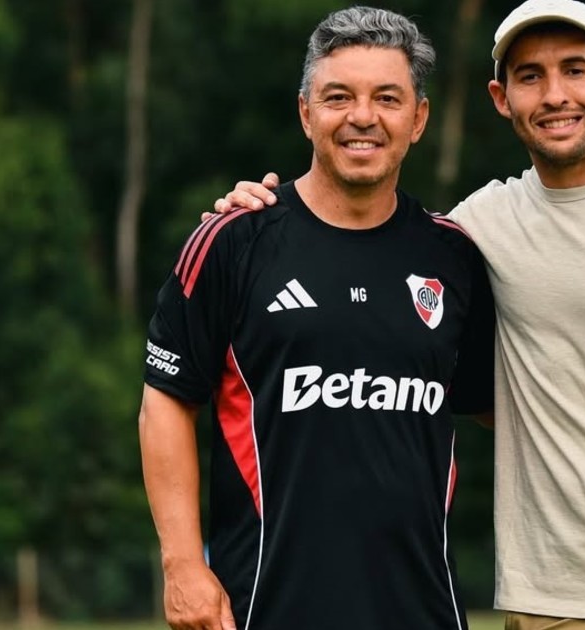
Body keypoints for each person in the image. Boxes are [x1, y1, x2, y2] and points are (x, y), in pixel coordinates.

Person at [214, 1, 585, 629]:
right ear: (501, 98)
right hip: (551, 601)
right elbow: (366, 256)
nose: (555, 96)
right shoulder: (474, 231)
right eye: (530, 76)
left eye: (574, 70)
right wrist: (259, 213)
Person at [138, 7, 494, 630]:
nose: (363, 117)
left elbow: (501, 409)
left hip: (424, 611)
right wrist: (183, 565)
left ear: (419, 119)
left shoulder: (456, 257)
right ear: (306, 113)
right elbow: (165, 402)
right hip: (265, 609)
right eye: (338, 97)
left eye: (387, 98)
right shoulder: (233, 242)